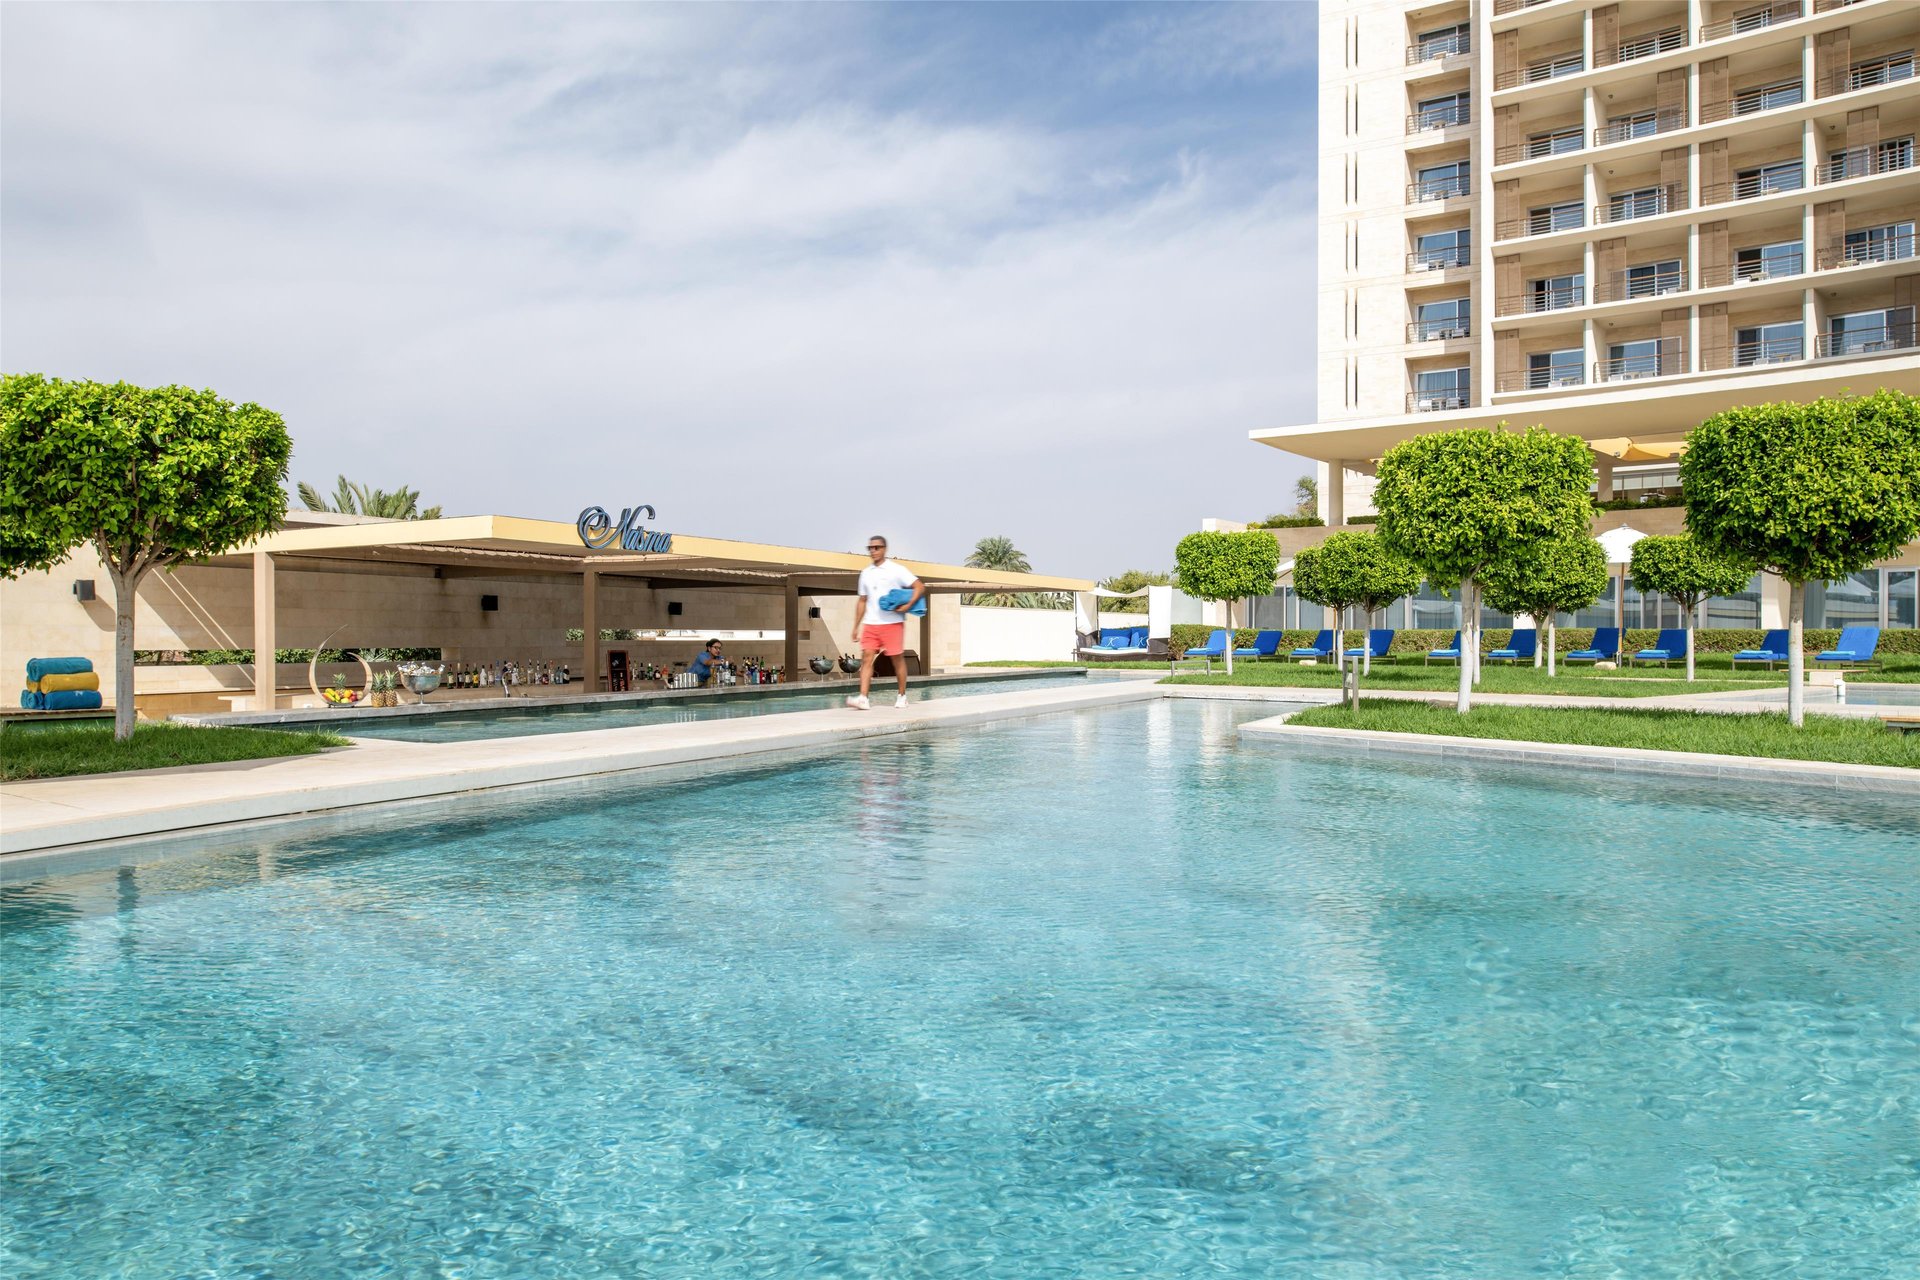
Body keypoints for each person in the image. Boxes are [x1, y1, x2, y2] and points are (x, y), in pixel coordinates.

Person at [847, 534, 924, 710]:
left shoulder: (897, 570)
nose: (873, 551)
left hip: (892, 624)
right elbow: (862, 600)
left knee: (897, 660)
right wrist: (855, 627)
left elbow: (920, 586)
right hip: (871, 624)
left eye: (877, 547)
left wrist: (908, 606)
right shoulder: (865, 573)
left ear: (884, 549)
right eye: (870, 548)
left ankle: (902, 696)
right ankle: (863, 698)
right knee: (866, 658)